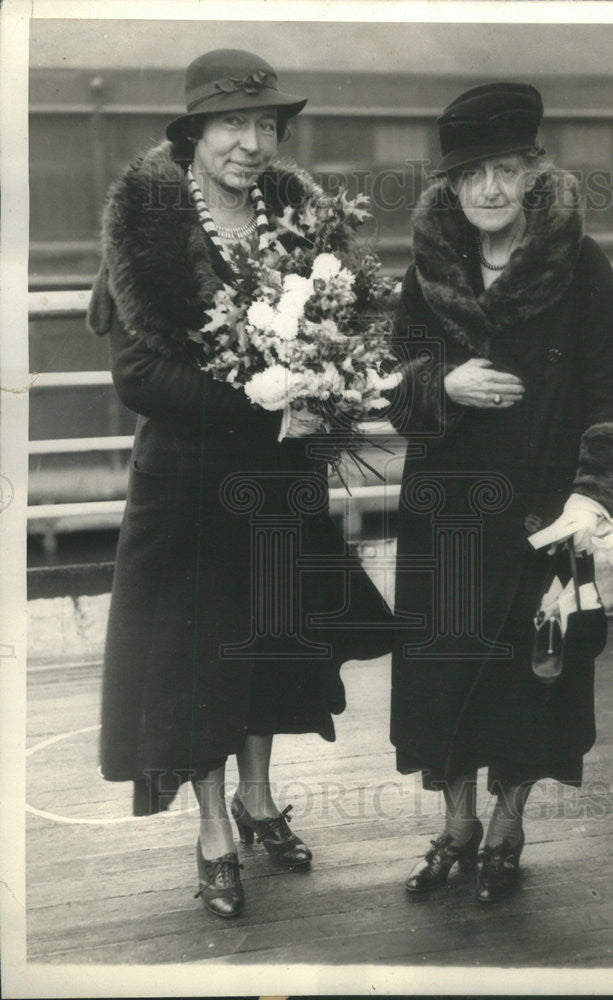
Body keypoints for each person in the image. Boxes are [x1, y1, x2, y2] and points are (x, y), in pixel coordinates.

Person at [86, 49, 394, 918]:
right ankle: (214, 826)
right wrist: (266, 412)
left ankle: (260, 798)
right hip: (187, 482)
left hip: (277, 480)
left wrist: (333, 380)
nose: (252, 143)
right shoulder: (147, 227)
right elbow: (139, 378)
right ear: (195, 132)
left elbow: (341, 329)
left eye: (267, 126)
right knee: (197, 660)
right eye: (233, 124)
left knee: (268, 642)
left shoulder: (300, 216)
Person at [388, 83, 613, 904]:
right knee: (445, 672)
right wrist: (443, 385)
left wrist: (592, 496)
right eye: (472, 174)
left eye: (506, 169)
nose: (490, 188)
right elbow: (393, 384)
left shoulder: (581, 266)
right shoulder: (430, 271)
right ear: (450, 185)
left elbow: (611, 394)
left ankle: (507, 824)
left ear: (533, 173)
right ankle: (455, 822)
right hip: (446, 513)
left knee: (532, 679)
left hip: (542, 514)